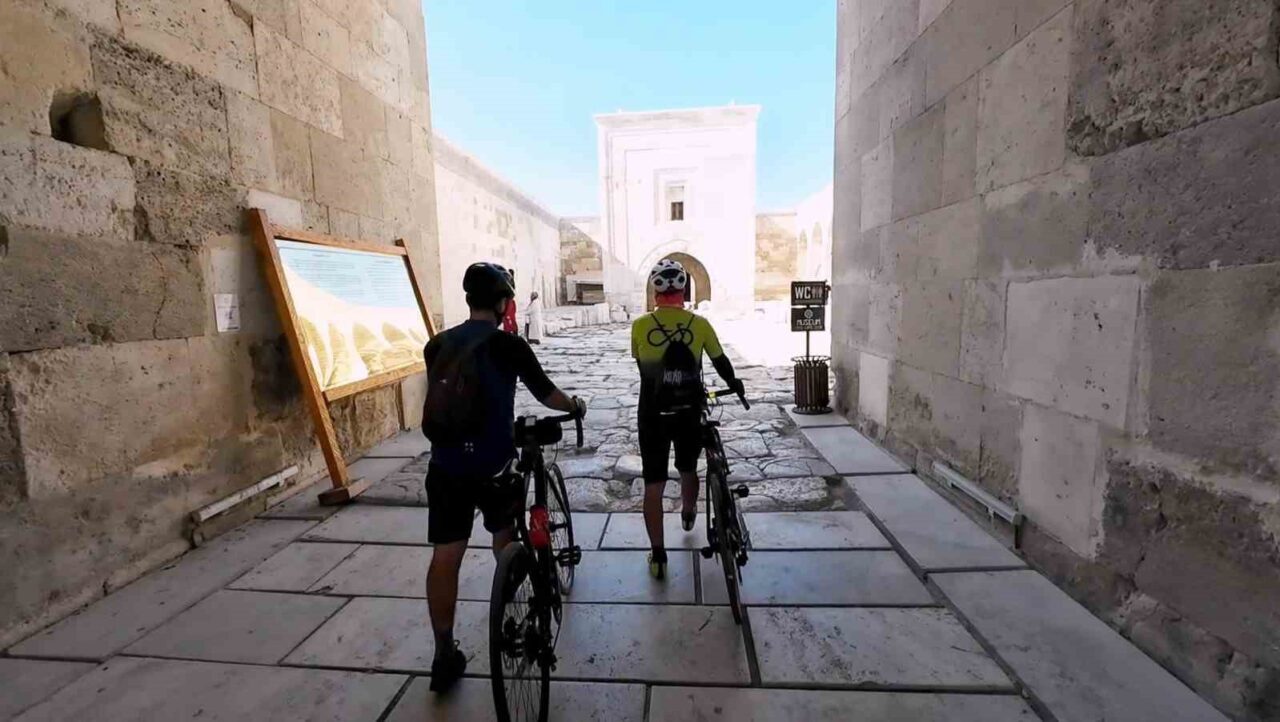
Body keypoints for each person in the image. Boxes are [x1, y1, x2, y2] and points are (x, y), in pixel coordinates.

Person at [421, 262, 584, 693]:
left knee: (445, 556)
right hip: (494, 464)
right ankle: (511, 592)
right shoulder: (509, 345)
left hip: (446, 466)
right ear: (502, 303)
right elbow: (546, 393)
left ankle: (443, 653)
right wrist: (575, 406)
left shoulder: (436, 345)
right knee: (505, 535)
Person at [630, 259, 743, 579]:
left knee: (653, 484)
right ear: (684, 291)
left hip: (652, 414)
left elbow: (641, 365)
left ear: (655, 293)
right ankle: (689, 511)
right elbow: (721, 361)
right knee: (688, 467)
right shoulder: (700, 324)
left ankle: (658, 555)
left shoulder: (640, 326)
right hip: (689, 411)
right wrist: (734, 383)